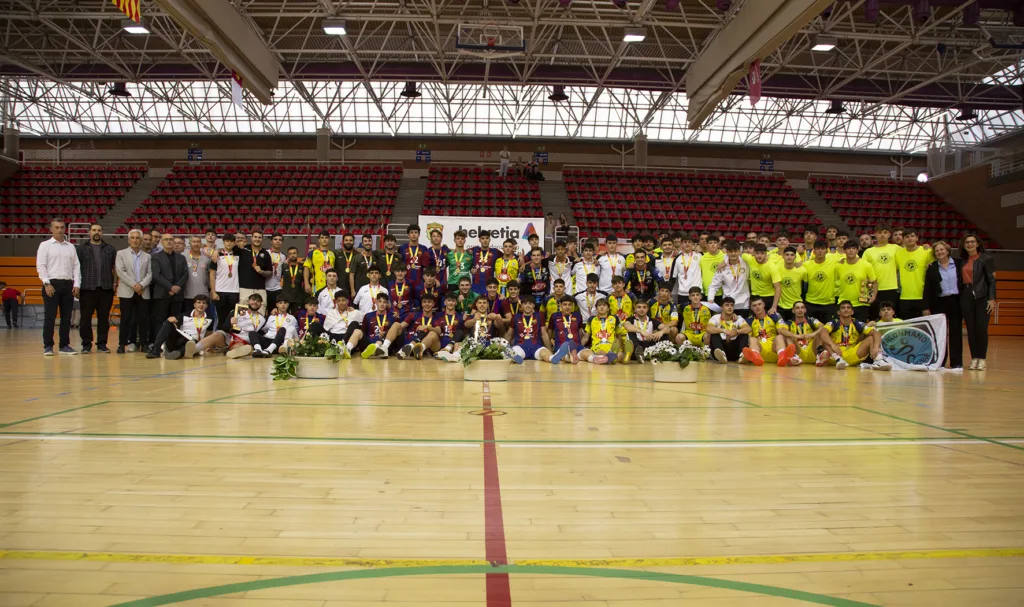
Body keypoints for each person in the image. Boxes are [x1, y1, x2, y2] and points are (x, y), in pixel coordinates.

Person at [35, 219, 81, 356]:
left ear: (65, 229)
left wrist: (77, 283)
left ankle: (64, 345)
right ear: (51, 229)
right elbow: (41, 265)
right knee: (50, 317)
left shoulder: (71, 247)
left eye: (62, 227)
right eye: (56, 227)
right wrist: (46, 283)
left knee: (66, 318)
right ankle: (48, 346)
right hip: (51, 284)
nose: (59, 230)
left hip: (67, 284)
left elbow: (76, 266)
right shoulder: (45, 245)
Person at [75, 223, 117, 353]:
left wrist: (114, 283)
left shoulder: (110, 249)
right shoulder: (81, 249)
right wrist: (76, 285)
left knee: (103, 318)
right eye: (94, 230)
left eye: (99, 230)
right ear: (89, 232)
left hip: (105, 288)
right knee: (85, 318)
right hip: (87, 288)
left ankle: (102, 344)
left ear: (102, 232)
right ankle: (86, 344)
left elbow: (115, 268)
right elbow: (76, 268)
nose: (96, 232)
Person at [958, 232, 997, 371]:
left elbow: (991, 281)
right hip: (966, 296)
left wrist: (992, 299)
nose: (969, 244)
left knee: (981, 329)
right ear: (964, 245)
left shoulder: (986, 259)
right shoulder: (962, 260)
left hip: (982, 296)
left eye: (972, 242)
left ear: (978, 243)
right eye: (967, 242)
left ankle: (982, 359)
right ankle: (974, 358)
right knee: (971, 329)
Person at [820, 300, 891, 370]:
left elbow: (876, 333)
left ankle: (878, 360)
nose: (846, 309)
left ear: (852, 312)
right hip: (836, 354)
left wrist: (875, 347)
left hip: (853, 353)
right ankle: (838, 359)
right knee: (824, 338)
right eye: (843, 308)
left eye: (848, 308)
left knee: (871, 338)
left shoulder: (857, 323)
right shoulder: (834, 322)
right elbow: (823, 331)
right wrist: (833, 345)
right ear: (838, 312)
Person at [925, 241, 963, 370]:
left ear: (947, 251)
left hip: (956, 301)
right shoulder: (932, 267)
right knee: (940, 334)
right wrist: (926, 307)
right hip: (939, 302)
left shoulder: (958, 263)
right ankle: (941, 362)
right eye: (937, 251)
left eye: (942, 249)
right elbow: (928, 288)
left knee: (956, 332)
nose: (940, 252)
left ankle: (957, 363)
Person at [193, 293, 265, 359]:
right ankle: (194, 349)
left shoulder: (262, 319)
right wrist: (230, 323)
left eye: (258, 301)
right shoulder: (236, 311)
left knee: (242, 347)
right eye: (253, 300)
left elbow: (262, 334)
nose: (255, 302)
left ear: (261, 304)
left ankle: (229, 352)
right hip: (229, 337)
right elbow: (224, 328)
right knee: (217, 334)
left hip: (244, 341)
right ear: (248, 301)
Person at [114, 229, 152, 353]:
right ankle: (122, 344)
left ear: (141, 240)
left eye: (137, 238)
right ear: (129, 240)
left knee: (143, 319)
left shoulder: (147, 256)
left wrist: (141, 285)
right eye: (133, 238)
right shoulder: (121, 253)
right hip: (127, 291)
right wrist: (134, 285)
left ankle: (143, 343)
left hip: (143, 291)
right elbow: (120, 271)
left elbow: (150, 274)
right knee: (126, 318)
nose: (135, 240)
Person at [147, 294, 214, 360]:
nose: (201, 305)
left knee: (192, 343)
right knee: (169, 322)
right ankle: (155, 350)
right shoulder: (184, 315)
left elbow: (209, 333)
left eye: (204, 303)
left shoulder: (210, 319)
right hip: (179, 339)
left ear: (206, 306)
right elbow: (173, 326)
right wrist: (171, 319)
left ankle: (177, 353)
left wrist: (208, 346)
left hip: (193, 342)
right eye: (199, 302)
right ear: (194, 305)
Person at [149, 233, 189, 344]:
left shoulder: (181, 258)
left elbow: (185, 275)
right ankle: (158, 344)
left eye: (171, 239)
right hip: (162, 294)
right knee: (159, 320)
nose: (169, 241)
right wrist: (170, 287)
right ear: (162, 242)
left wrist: (177, 287)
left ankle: (172, 344)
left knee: (176, 320)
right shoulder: (155, 257)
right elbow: (156, 275)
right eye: (166, 239)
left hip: (177, 295)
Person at [743, 296, 796, 367]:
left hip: (774, 349)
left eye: (759, 304)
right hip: (760, 350)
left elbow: (782, 329)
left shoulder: (774, 315)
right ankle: (755, 357)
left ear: (764, 305)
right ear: (751, 308)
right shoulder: (749, 320)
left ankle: (782, 357)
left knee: (780, 337)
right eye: (754, 305)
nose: (757, 307)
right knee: (751, 339)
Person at [863, 223, 900, 320]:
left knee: (891, 318)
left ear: (889, 234)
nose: (882, 235)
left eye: (885, 232)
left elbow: (909, 253)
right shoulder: (868, 252)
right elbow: (864, 273)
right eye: (879, 233)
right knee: (873, 316)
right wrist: (866, 294)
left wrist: (925, 247)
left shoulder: (895, 248)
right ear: (875, 235)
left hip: (891, 288)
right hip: (873, 289)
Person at [895, 228, 934, 319]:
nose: (910, 238)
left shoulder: (926, 251)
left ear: (917, 238)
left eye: (912, 236)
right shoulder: (898, 254)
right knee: (908, 328)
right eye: (907, 237)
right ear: (903, 239)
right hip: (905, 296)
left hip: (922, 296)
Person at [835, 240, 877, 322]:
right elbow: (836, 282)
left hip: (861, 303)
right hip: (843, 302)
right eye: (848, 248)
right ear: (844, 251)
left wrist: (873, 296)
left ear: (857, 250)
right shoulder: (838, 266)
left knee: (861, 330)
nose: (851, 250)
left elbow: (874, 281)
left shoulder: (866, 265)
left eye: (853, 248)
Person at [707, 240, 751, 316]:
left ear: (739, 251)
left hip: (744, 303)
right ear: (727, 252)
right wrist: (710, 299)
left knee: (744, 327)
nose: (733, 254)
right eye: (731, 251)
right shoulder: (722, 267)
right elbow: (714, 285)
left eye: (735, 251)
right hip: (728, 304)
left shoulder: (746, 262)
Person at [778, 301, 826, 366]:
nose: (800, 310)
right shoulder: (789, 322)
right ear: (793, 310)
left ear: (805, 310)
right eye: (797, 308)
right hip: (798, 351)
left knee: (820, 332)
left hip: (812, 350)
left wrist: (812, 334)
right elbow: (781, 330)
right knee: (788, 335)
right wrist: (796, 336)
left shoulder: (811, 320)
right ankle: (794, 355)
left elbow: (822, 326)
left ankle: (819, 355)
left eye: (802, 308)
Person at [209, 233, 241, 332]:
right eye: (227, 241)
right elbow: (212, 275)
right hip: (220, 291)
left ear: (234, 242)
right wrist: (213, 291)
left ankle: (231, 341)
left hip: (235, 291)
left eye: (231, 241)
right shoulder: (217, 256)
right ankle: (217, 340)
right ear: (223, 242)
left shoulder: (238, 255)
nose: (229, 243)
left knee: (233, 319)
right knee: (220, 319)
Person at [508, 297, 553, 363]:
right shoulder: (516, 317)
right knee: (516, 352)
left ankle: (552, 358)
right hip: (520, 346)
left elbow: (544, 334)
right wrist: (501, 347)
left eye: (530, 304)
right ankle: (517, 358)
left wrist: (550, 350)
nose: (528, 306)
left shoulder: (539, 315)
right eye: (525, 304)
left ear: (534, 305)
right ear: (522, 305)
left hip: (536, 347)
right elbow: (509, 334)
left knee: (544, 353)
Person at [236, 229, 271, 314]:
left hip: (260, 288)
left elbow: (270, 272)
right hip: (244, 288)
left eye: (259, 237)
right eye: (255, 237)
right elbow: (227, 250)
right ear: (251, 238)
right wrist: (216, 251)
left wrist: (261, 271)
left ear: (262, 239)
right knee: (242, 314)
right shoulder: (243, 249)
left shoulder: (265, 253)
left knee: (260, 313)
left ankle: (259, 327)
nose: (257, 239)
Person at [802, 240, 838, 322]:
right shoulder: (806, 265)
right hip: (810, 303)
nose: (820, 251)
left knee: (828, 331)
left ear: (827, 250)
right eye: (818, 249)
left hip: (829, 304)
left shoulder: (834, 264)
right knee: (809, 331)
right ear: (814, 251)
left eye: (822, 248)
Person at [707, 296, 751, 363]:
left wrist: (737, 331)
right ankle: (722, 354)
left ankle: (742, 355)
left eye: (731, 305)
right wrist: (724, 331)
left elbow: (748, 328)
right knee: (714, 335)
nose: (730, 307)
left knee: (744, 335)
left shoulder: (738, 318)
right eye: (727, 305)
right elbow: (708, 328)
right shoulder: (716, 317)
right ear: (722, 307)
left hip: (733, 347)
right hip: (720, 346)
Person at [623, 299, 669, 363]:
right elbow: (627, 326)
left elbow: (667, 328)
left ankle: (660, 353)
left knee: (664, 333)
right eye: (639, 307)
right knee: (631, 332)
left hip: (648, 345)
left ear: (647, 309)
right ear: (635, 309)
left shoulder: (652, 320)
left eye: (644, 307)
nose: (642, 309)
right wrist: (641, 331)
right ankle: (639, 353)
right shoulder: (631, 319)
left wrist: (661, 332)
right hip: (636, 345)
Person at [397, 293, 440, 360]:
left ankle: (419, 349)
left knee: (433, 333)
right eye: (424, 302)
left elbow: (439, 331)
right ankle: (409, 347)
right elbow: (401, 326)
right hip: (410, 342)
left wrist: (428, 327)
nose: (427, 304)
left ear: (433, 304)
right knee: (396, 325)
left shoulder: (436, 318)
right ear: (422, 304)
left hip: (426, 346)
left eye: (429, 302)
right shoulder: (414, 315)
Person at [360, 293, 402, 359]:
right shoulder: (368, 316)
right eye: (380, 301)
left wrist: (385, 334)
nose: (382, 304)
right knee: (358, 332)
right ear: (376, 302)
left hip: (386, 344)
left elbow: (397, 332)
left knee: (395, 327)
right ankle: (373, 349)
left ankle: (379, 348)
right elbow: (363, 333)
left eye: (384, 302)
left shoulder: (393, 316)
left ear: (388, 304)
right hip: (371, 343)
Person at [322, 291, 364, 357]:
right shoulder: (331, 313)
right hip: (334, 337)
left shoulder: (354, 312)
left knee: (355, 323)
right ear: (336, 302)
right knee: (315, 325)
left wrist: (354, 310)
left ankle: (345, 348)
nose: (341, 303)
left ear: (347, 301)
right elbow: (326, 329)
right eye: (339, 301)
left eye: (343, 300)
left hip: (347, 338)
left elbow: (366, 317)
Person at [579, 298, 620, 364]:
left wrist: (619, 346)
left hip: (611, 346)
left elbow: (618, 336)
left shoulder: (614, 318)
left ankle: (611, 356)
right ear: (596, 308)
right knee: (589, 353)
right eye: (599, 305)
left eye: (604, 305)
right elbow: (586, 337)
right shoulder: (591, 319)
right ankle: (609, 358)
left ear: (608, 308)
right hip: (597, 346)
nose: (601, 307)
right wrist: (579, 347)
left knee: (620, 354)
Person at [183, 235, 212, 318]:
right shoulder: (183, 256)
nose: (196, 244)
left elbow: (210, 275)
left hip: (203, 294)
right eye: (194, 242)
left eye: (198, 242)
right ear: (189, 243)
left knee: (203, 319)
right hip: (187, 294)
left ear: (201, 244)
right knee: (188, 319)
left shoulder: (207, 258)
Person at [776, 246, 807, 322]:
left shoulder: (802, 271)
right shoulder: (776, 268)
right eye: (787, 254)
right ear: (783, 256)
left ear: (795, 257)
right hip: (781, 306)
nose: (789, 257)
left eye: (792, 255)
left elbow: (805, 287)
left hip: (796, 306)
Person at [399, 225, 433, 290]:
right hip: (406, 281)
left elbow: (425, 267)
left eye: (415, 232)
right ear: (408, 235)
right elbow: (400, 266)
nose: (414, 234)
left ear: (419, 234)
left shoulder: (424, 248)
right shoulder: (402, 248)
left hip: (420, 282)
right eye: (411, 233)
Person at [434, 293, 465, 362]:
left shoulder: (460, 316)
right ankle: (445, 352)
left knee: (460, 332)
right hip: (440, 344)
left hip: (454, 345)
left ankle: (449, 352)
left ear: (456, 303)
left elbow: (461, 333)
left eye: (453, 301)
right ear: (445, 302)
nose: (451, 303)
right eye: (449, 300)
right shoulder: (438, 315)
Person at [304, 231, 336, 295]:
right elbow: (306, 268)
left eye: (326, 238)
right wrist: (306, 284)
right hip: (317, 285)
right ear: (319, 240)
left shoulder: (332, 254)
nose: (324, 239)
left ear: (329, 239)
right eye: (322, 238)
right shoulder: (312, 253)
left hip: (331, 285)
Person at [673, 233, 702, 303]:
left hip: (697, 292)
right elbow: (673, 277)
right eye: (685, 242)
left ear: (692, 244)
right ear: (681, 244)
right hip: (682, 293)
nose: (687, 244)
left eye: (689, 242)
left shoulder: (699, 256)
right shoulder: (677, 258)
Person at [279, 247, 306, 314]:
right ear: (288, 256)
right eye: (290, 254)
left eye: (294, 253)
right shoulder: (284, 266)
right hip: (286, 297)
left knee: (297, 318)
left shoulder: (302, 267)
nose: (292, 255)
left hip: (298, 297)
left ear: (297, 254)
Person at [265, 233, 286, 311]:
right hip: (265, 287)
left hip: (277, 288)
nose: (278, 241)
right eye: (275, 239)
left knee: (275, 311)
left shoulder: (283, 257)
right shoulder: (266, 253)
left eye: (280, 240)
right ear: (271, 241)